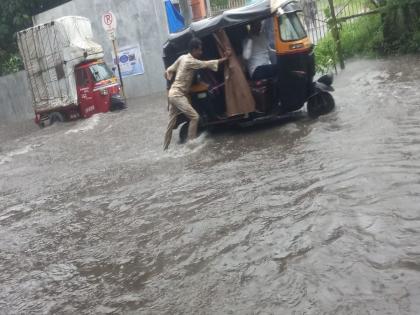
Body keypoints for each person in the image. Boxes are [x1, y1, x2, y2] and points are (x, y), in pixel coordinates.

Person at [163, 37, 230, 150]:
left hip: (172, 94)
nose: (201, 52)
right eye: (199, 50)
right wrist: (225, 58)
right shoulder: (191, 61)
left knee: (170, 124)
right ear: (194, 50)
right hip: (178, 95)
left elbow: (169, 70)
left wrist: (169, 76)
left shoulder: (182, 57)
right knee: (195, 117)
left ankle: (165, 148)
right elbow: (207, 64)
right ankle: (191, 144)